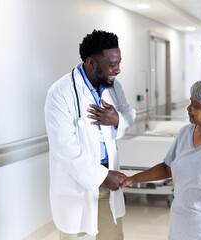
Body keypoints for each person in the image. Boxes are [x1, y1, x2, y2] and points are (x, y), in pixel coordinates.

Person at [121, 80, 201, 240]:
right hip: (182, 224)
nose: (188, 108)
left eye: (194, 105)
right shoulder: (185, 133)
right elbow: (167, 168)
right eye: (190, 102)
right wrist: (131, 179)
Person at [44, 30, 136, 239]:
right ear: (91, 63)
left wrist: (117, 119)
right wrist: (103, 175)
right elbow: (65, 149)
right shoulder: (61, 92)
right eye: (112, 64)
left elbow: (128, 114)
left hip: (109, 178)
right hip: (79, 183)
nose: (118, 70)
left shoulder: (114, 87)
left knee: (112, 235)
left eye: (119, 62)